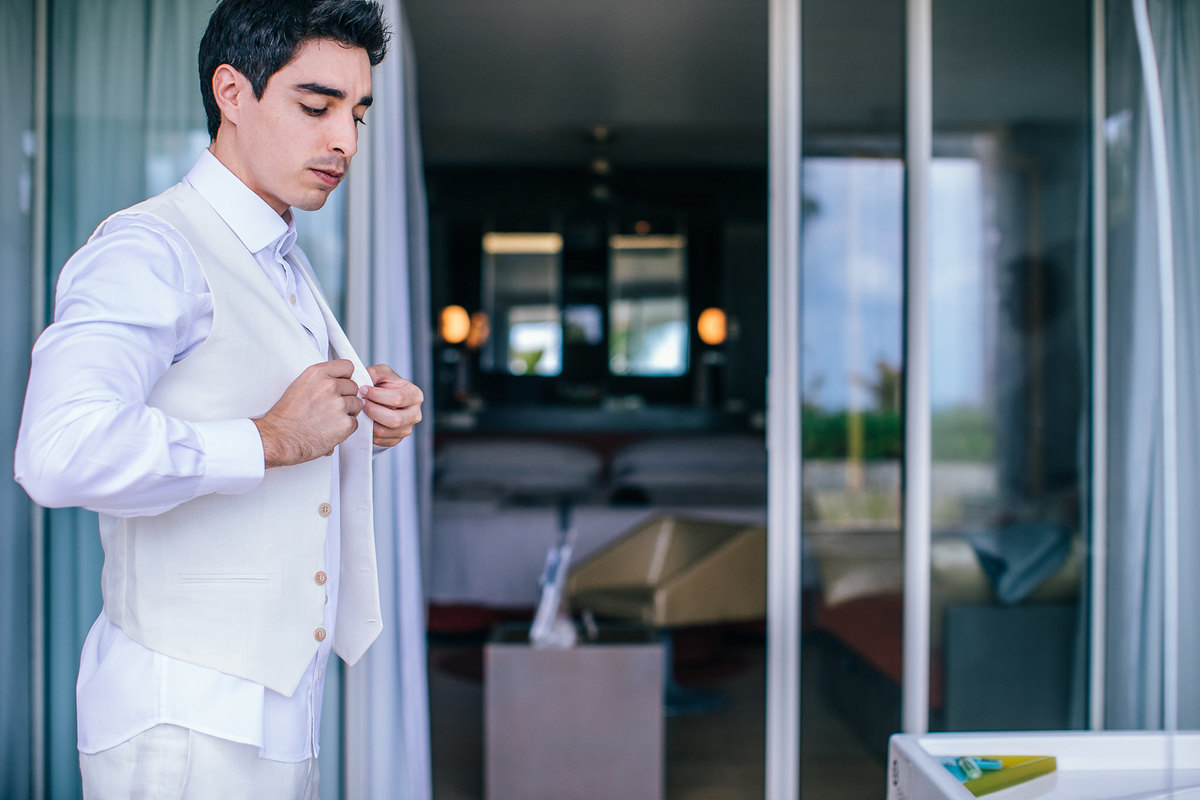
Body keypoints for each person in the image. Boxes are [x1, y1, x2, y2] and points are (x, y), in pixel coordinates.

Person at [13, 1, 422, 796]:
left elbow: (246, 405)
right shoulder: (149, 248)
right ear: (231, 92)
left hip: (274, 711)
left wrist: (356, 425)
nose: (345, 140)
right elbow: (56, 451)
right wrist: (271, 437)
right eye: (317, 106)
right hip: (184, 722)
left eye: (358, 113)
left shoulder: (280, 256)